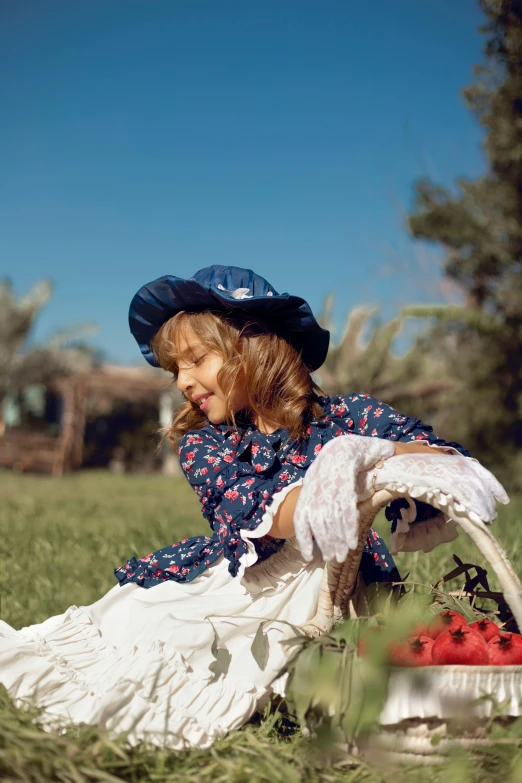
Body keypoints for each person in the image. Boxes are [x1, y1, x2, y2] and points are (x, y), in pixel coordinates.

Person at [0, 265, 470, 750]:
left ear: (253, 344)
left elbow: (442, 459)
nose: (182, 381)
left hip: (349, 581)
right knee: (162, 640)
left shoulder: (349, 417)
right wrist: (339, 477)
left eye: (196, 359)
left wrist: (369, 453)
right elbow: (274, 516)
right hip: (251, 591)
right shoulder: (206, 446)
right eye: (173, 370)